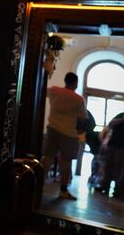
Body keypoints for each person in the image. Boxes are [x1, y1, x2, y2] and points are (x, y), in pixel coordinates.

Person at [41, 72, 88, 200]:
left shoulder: (54, 90)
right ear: (75, 83)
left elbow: (41, 91)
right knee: (66, 162)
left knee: (48, 158)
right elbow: (83, 118)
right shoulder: (78, 99)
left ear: (65, 80)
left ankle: (39, 185)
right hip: (68, 133)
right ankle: (63, 190)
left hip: (52, 129)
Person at [96, 112, 124, 199]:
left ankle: (118, 190)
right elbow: (111, 123)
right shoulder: (121, 115)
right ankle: (105, 186)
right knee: (108, 166)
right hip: (112, 144)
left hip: (122, 147)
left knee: (119, 168)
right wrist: (122, 119)